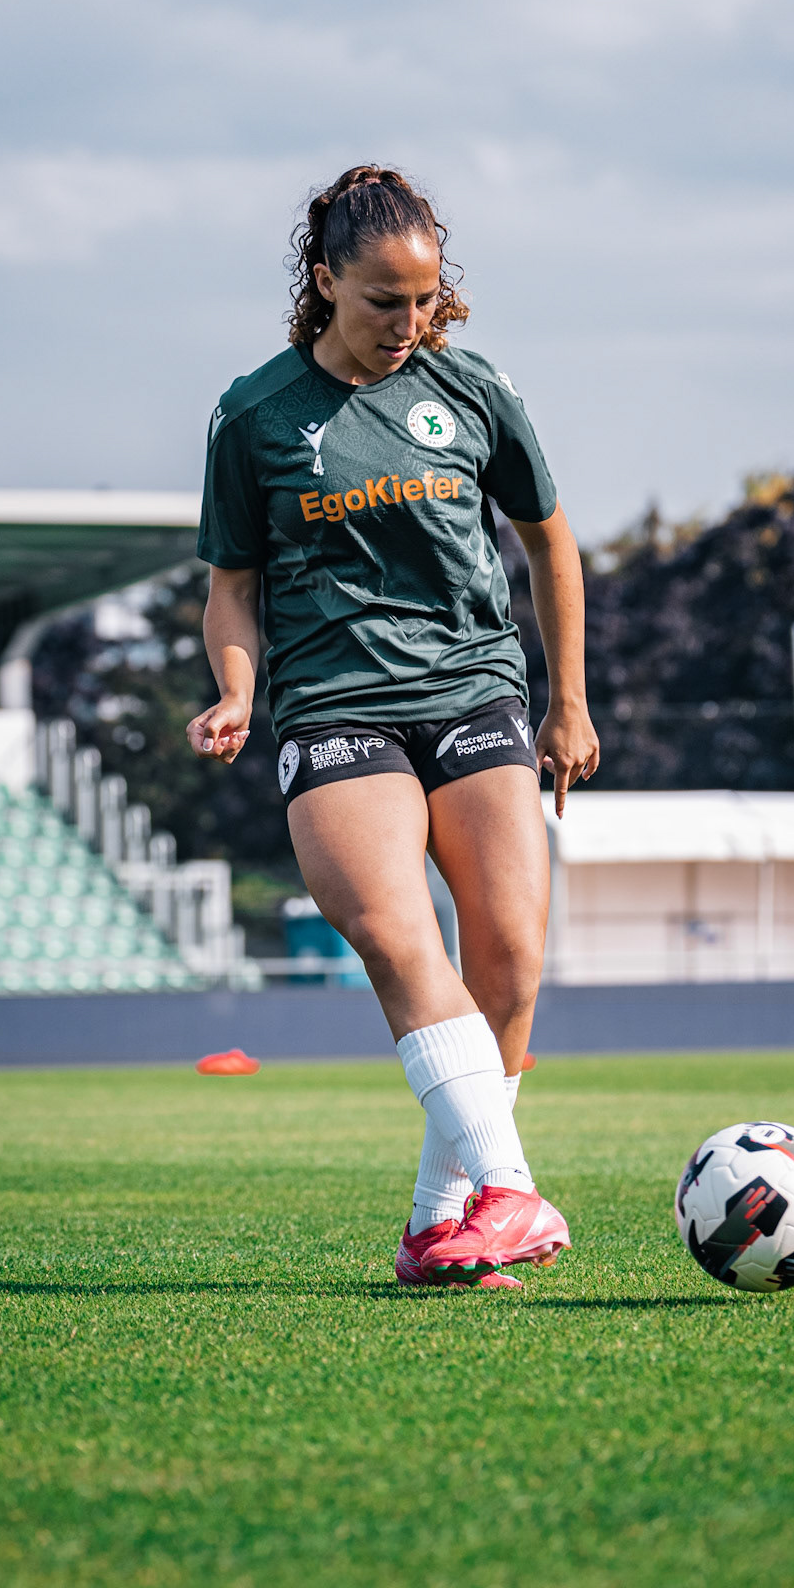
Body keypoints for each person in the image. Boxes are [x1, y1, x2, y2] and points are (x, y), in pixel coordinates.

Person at [188, 165, 599, 1288]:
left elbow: (550, 540)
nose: (408, 322)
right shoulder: (254, 415)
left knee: (509, 957)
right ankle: (509, 1187)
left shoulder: (473, 388)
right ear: (326, 282)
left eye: (424, 299)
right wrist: (237, 689)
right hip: (336, 706)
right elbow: (232, 587)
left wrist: (567, 698)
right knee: (399, 937)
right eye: (383, 300)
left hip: (474, 689)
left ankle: (436, 1224)